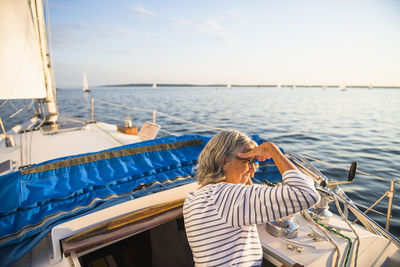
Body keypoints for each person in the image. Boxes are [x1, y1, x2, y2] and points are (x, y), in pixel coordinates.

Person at [183, 130, 320, 266]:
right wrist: (271, 149)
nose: (254, 170)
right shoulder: (227, 196)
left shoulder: (195, 198)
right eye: (249, 161)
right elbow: (307, 193)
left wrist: (245, 174)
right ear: (224, 161)